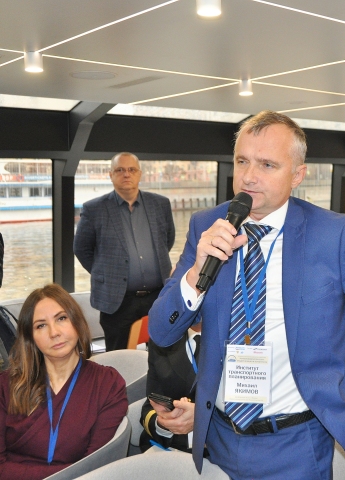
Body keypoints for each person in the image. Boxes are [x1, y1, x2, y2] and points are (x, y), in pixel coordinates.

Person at [148, 110, 345, 479]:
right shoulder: (207, 226)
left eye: (267, 164)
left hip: (297, 443)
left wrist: (340, 380)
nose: (248, 176)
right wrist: (194, 275)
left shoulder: (333, 235)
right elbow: (162, 331)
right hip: (218, 436)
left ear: (297, 175)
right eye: (242, 161)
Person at [0, 284, 128, 479]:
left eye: (61, 318)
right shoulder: (6, 386)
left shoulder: (108, 385)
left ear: (76, 321)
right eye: (41, 325)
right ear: (31, 338)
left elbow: (96, 468)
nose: (54, 333)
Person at [74, 152, 176, 351]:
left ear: (140, 174)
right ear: (110, 175)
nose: (126, 174)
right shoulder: (94, 209)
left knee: (163, 355)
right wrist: (106, 274)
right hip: (118, 301)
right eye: (120, 170)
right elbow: (81, 248)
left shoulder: (160, 204)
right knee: (118, 357)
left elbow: (166, 241)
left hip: (158, 296)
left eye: (131, 170)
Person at [140, 322, 201, 453]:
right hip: (165, 444)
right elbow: (150, 404)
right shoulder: (162, 338)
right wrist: (163, 424)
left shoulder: (240, 341)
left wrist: (203, 418)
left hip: (216, 453)